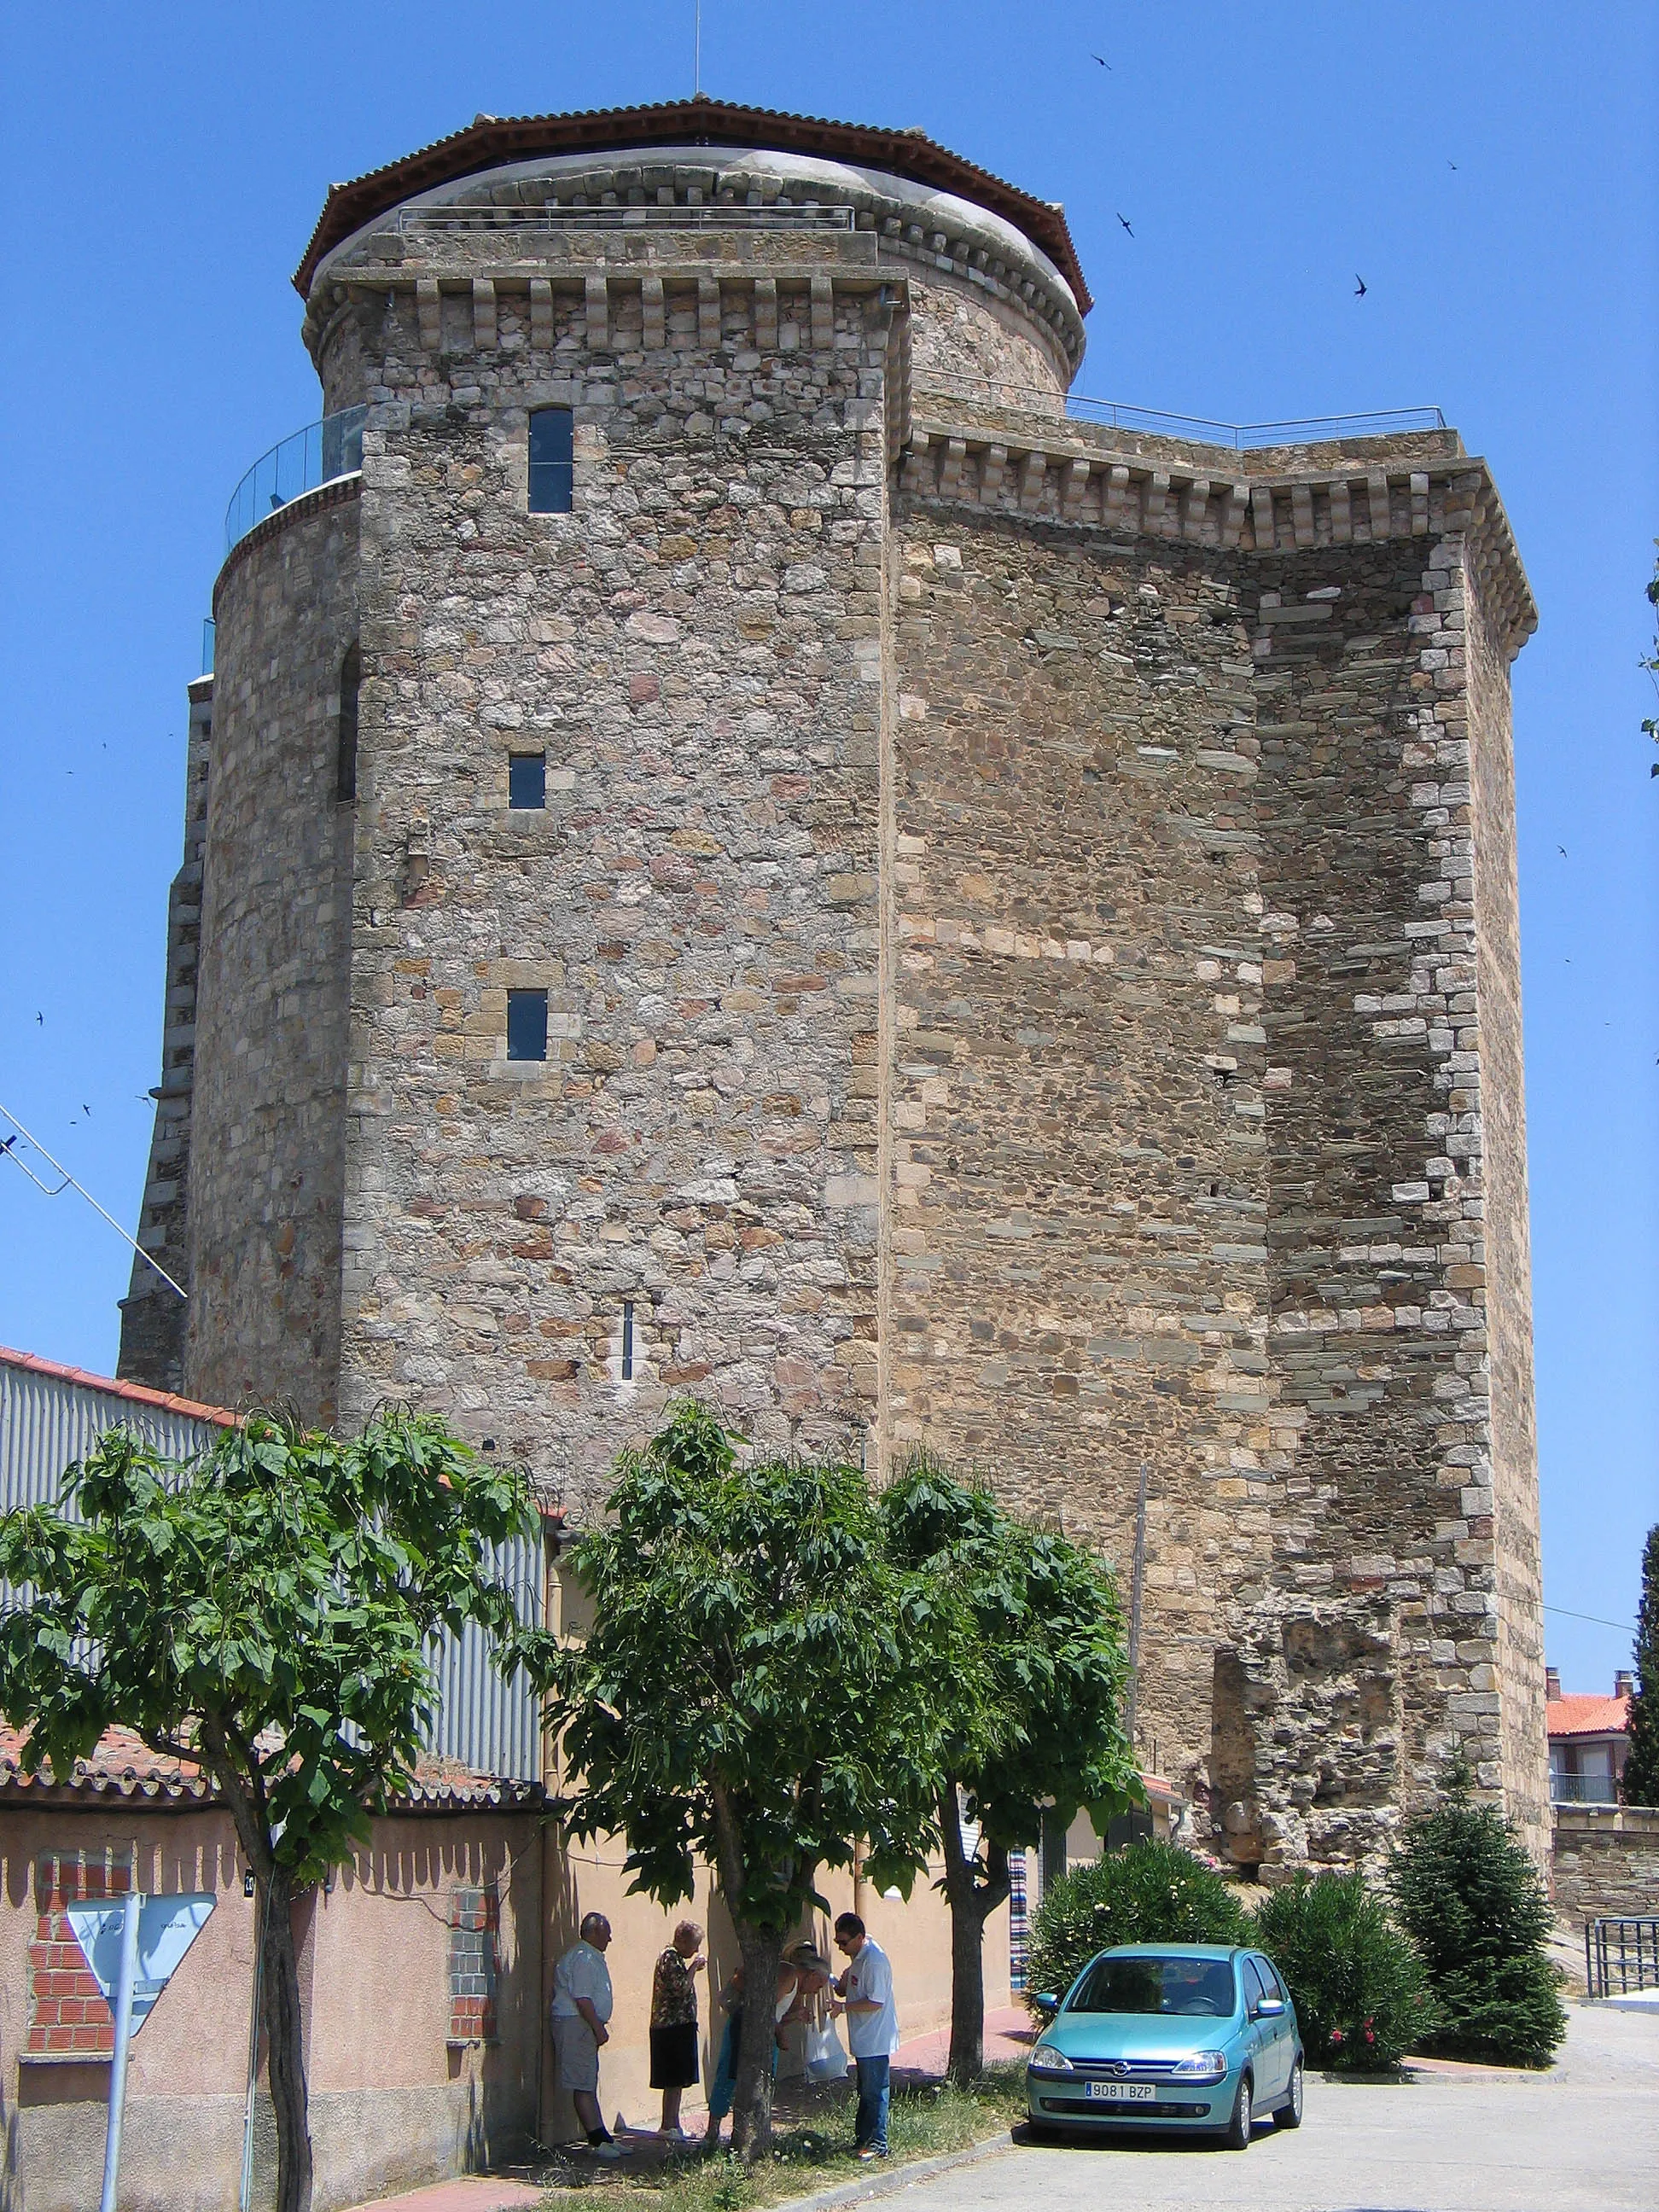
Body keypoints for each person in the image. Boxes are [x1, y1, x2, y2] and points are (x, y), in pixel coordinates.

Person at [702, 1953, 800, 2146]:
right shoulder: (788, 1974)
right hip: (745, 2025)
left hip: (761, 2032)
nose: (818, 1990)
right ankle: (714, 2131)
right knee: (730, 2076)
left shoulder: (793, 1981)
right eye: (820, 1983)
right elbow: (765, 2009)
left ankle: (748, 2130)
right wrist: (781, 2035)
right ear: (813, 1973)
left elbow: (775, 2014)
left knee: (761, 2079)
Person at [830, 1912, 898, 2160]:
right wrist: (835, 1982)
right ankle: (863, 2140)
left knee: (875, 2091)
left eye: (844, 1942)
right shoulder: (858, 1956)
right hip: (863, 2038)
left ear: (859, 1937)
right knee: (865, 2091)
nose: (840, 1947)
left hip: (876, 2038)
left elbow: (876, 2002)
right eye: (837, 1942)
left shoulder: (874, 1961)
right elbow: (849, 1988)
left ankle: (879, 2144)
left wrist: (844, 2007)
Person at [550, 1912, 620, 2158]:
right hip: (577, 2024)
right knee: (582, 2083)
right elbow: (583, 1998)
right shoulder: (583, 1958)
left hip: (584, 2025)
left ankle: (603, 2136)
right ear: (593, 1932)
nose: (610, 1938)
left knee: (588, 2081)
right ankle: (596, 2140)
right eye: (606, 1932)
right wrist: (598, 2028)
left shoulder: (591, 1957)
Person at [650, 1919, 706, 2139]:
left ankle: (673, 2125)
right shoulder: (669, 1958)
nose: (696, 1950)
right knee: (673, 2079)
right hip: (670, 2027)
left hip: (679, 2026)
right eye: (694, 1944)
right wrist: (693, 1968)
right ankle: (667, 2125)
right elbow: (681, 1989)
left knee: (679, 2080)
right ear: (681, 1940)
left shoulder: (676, 1959)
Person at [777, 1941, 835, 2076]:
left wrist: (795, 2015)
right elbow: (764, 2014)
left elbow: (776, 2019)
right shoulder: (788, 1977)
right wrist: (780, 2033)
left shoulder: (797, 1989)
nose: (815, 1992)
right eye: (819, 1986)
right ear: (813, 1975)